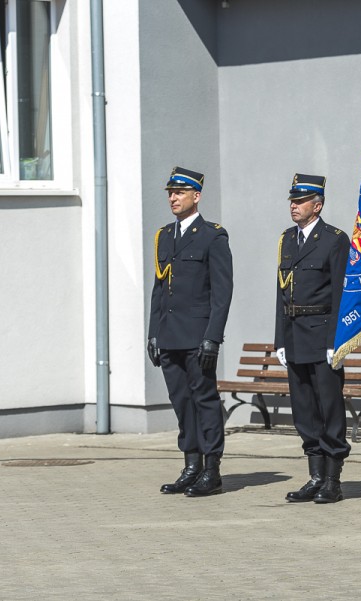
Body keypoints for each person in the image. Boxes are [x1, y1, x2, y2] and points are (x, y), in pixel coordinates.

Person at [147, 166, 233, 498]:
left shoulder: (212, 236)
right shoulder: (164, 236)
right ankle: (191, 466)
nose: (173, 198)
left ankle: (212, 470)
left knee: (205, 401)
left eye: (180, 193)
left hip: (198, 336)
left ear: (196, 196)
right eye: (170, 193)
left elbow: (222, 293)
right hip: (170, 335)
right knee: (182, 402)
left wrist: (213, 337)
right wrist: (153, 332)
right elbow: (159, 289)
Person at [275, 173, 351, 504]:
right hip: (295, 335)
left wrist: (337, 340)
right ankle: (315, 475)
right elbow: (281, 292)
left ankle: (332, 479)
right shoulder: (287, 240)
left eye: (301, 200)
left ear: (317, 205)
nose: (294, 205)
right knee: (304, 410)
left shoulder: (334, 240)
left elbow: (341, 294)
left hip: (322, 335)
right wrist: (280, 338)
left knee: (329, 408)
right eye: (292, 200)